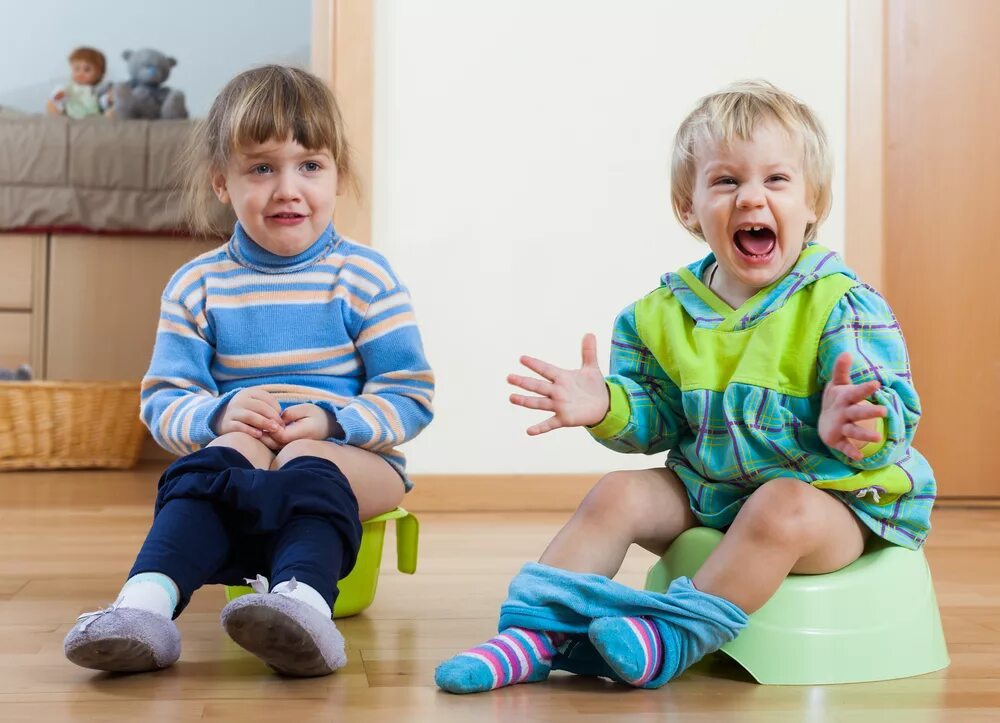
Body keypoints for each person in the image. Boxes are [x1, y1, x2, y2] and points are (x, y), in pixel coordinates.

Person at [435, 79, 935, 693]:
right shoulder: (660, 314)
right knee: (618, 493)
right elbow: (659, 423)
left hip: (835, 501)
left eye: (776, 180)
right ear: (688, 208)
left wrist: (856, 428)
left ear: (813, 204)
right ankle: (536, 634)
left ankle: (674, 635)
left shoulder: (840, 303)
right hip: (715, 490)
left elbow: (886, 405)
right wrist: (607, 406)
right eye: (726, 181)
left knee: (780, 505)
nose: (751, 198)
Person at [64, 65, 434, 677]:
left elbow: (409, 394)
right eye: (262, 168)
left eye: (309, 165)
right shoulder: (198, 285)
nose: (287, 188)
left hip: (353, 459)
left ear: (337, 174)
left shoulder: (365, 278)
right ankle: (144, 608)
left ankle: (303, 606)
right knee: (208, 467)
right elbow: (164, 398)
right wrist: (217, 414)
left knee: (301, 466)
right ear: (221, 182)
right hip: (246, 459)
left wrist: (333, 421)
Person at [46, 46, 110, 118]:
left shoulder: (98, 88)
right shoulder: (70, 87)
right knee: (51, 104)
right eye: (77, 69)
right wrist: (58, 95)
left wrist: (108, 98)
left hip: (92, 114)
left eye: (87, 70)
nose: (81, 73)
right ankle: (57, 121)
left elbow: (102, 100)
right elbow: (61, 93)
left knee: (109, 107)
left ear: (99, 73)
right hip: (70, 113)